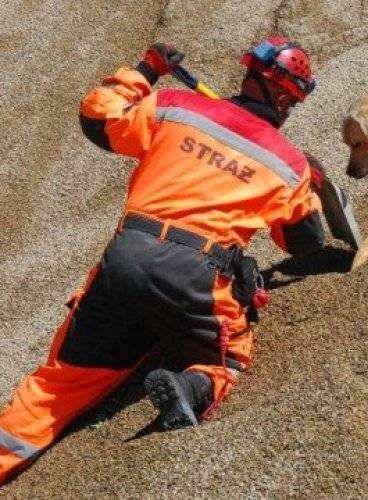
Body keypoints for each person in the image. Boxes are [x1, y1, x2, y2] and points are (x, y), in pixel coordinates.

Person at [0, 36, 327, 483]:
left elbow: (98, 117)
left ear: (249, 74)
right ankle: (191, 387)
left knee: (57, 387)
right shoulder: (287, 162)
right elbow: (304, 241)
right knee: (228, 360)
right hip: (195, 276)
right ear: (288, 96)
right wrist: (312, 183)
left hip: (126, 260)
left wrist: (146, 70)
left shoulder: (175, 106)